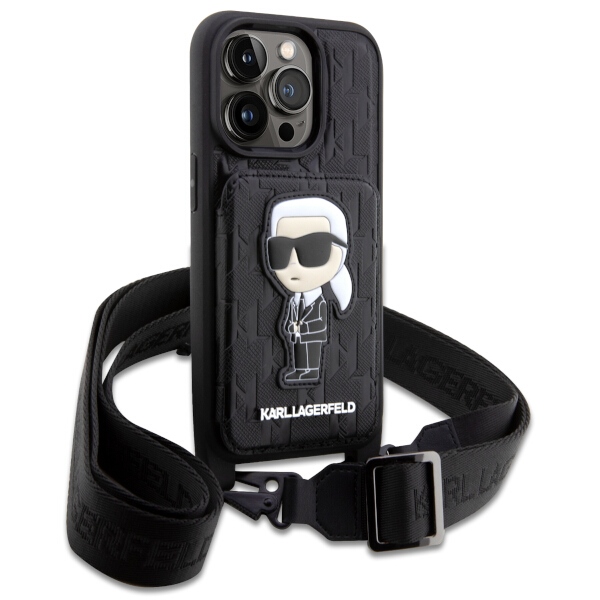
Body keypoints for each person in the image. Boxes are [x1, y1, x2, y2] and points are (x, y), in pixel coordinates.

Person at [265, 196, 353, 383]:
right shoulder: (294, 300)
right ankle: (299, 370)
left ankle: (311, 372)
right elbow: (290, 316)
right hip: (297, 334)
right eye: (280, 250)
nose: (293, 262)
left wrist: (302, 327)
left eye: (314, 249)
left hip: (312, 336)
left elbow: (320, 321)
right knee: (298, 352)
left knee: (310, 353)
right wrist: (290, 327)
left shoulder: (319, 301)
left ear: (340, 253)